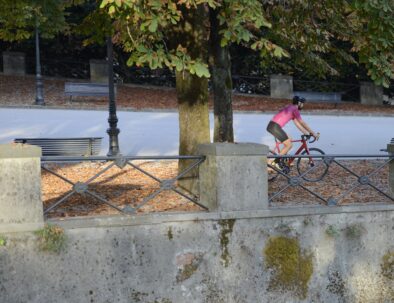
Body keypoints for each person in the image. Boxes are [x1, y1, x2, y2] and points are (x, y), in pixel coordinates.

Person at [266, 96, 319, 168]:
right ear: (299, 103)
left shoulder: (290, 107)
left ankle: (283, 161)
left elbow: (297, 124)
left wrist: (306, 133)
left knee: (289, 138)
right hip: (275, 127)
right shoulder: (295, 109)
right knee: (289, 145)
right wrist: (313, 133)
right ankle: (275, 163)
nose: (303, 105)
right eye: (302, 103)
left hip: (273, 126)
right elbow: (302, 123)